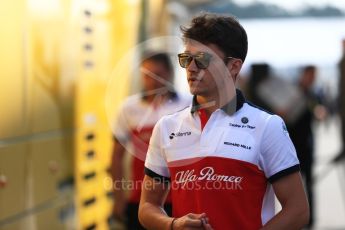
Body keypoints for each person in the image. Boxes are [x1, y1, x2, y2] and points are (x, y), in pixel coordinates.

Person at [138, 13, 309, 230]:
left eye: (201, 59)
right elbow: (148, 206)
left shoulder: (267, 126)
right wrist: (173, 224)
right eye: (186, 59)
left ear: (234, 66)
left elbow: (298, 210)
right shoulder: (166, 127)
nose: (191, 68)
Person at [111, 52, 190, 229]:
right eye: (147, 75)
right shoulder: (129, 108)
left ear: (170, 74)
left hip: (181, 199)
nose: (152, 81)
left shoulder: (188, 105)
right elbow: (116, 157)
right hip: (140, 199)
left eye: (158, 75)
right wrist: (118, 198)